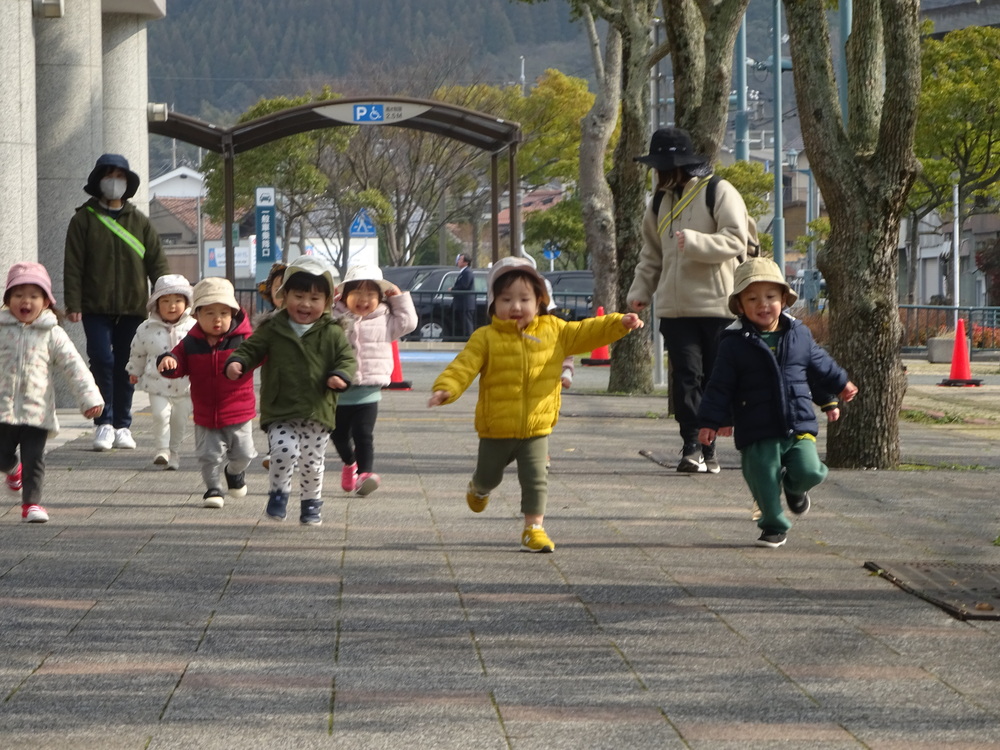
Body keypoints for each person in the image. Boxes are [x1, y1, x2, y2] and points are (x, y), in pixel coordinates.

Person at [428, 256, 644, 553]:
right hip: (496, 428)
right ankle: (479, 487)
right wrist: (445, 389)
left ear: (539, 301)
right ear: (493, 304)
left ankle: (534, 528)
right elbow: (463, 367)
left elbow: (588, 331)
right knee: (490, 475)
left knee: (536, 479)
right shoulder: (485, 338)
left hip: (537, 426)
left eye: (524, 299)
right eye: (506, 299)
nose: (515, 306)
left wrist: (619, 323)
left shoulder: (555, 331)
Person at [697, 258, 858, 548]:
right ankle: (773, 525)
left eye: (770, 297)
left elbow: (818, 366)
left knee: (811, 470)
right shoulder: (733, 342)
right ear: (740, 305)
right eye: (753, 298)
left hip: (797, 421)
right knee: (763, 478)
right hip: (756, 426)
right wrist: (712, 421)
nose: (763, 304)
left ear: (784, 299)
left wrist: (838, 388)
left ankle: (796, 488)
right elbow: (720, 385)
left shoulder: (800, 334)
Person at [627, 127, 750, 474]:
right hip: (674, 308)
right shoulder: (658, 201)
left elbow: (736, 240)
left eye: (665, 166)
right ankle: (691, 445)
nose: (660, 173)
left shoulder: (718, 191)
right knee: (685, 378)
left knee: (715, 379)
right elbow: (651, 255)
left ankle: (709, 449)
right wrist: (640, 293)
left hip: (718, 304)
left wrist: (694, 242)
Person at [224, 257, 357, 526]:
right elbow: (251, 349)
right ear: (284, 297)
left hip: (317, 409)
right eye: (298, 296)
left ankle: (311, 504)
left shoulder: (332, 332)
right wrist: (237, 361)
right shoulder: (273, 328)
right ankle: (278, 494)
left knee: (311, 462)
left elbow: (347, 359)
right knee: (283, 451)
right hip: (280, 408)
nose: (306, 304)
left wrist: (340, 376)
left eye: (315, 298)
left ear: (328, 301)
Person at [64, 153, 169, 452]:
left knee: (128, 365)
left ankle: (123, 424)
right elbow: (73, 266)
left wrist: (166, 299)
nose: (115, 181)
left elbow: (157, 264)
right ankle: (104, 423)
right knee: (101, 359)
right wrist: (73, 302)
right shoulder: (82, 220)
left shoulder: (141, 222)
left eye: (120, 176)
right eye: (109, 175)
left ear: (128, 182)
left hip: (134, 307)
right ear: (98, 181)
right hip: (94, 307)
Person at [0, 262, 104, 523]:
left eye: (34, 296)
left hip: (37, 411)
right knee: (2, 455)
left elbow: (74, 366)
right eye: (18, 295)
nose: (26, 301)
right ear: (8, 300)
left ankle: (32, 504)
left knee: (34, 459)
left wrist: (89, 398)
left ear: (46, 302)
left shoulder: (52, 333)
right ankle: (12, 469)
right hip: (3, 409)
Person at [157, 278, 256, 509]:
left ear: (233, 313)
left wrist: (243, 361)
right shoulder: (191, 342)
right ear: (197, 315)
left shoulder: (244, 339)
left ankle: (234, 472)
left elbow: (260, 354)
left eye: (223, 312)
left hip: (238, 412)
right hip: (205, 414)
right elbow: (178, 361)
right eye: (209, 312)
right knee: (208, 456)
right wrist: (168, 361)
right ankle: (213, 488)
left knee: (245, 454)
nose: (217, 318)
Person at [330, 264, 417, 496]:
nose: (364, 300)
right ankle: (350, 464)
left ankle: (365, 475)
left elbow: (409, 323)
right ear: (344, 295)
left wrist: (398, 298)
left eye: (371, 294)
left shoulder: (386, 319)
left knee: (363, 434)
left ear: (380, 298)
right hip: (338, 391)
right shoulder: (334, 318)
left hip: (369, 390)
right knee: (338, 435)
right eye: (357, 293)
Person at [126, 274, 196, 470]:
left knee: (179, 420)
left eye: (177, 300)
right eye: (165, 301)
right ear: (156, 304)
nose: (172, 306)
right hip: (156, 383)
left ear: (186, 303)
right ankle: (162, 450)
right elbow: (137, 352)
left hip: (185, 385)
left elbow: (200, 353)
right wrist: (134, 371)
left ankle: (174, 452)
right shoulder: (146, 328)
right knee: (159, 414)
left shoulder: (193, 327)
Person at [253, 261, 287, 471]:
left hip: (305, 384)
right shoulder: (267, 324)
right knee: (275, 418)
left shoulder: (311, 321)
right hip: (274, 382)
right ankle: (274, 451)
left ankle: (294, 450)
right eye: (278, 290)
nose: (283, 295)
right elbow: (254, 349)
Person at [451, 253, 476, 338]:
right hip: (462, 304)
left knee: (467, 323)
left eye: (460, 260)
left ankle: (469, 339)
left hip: (466, 304)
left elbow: (464, 285)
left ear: (466, 262)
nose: (458, 261)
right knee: (463, 324)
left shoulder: (467, 273)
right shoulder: (463, 273)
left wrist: (453, 289)